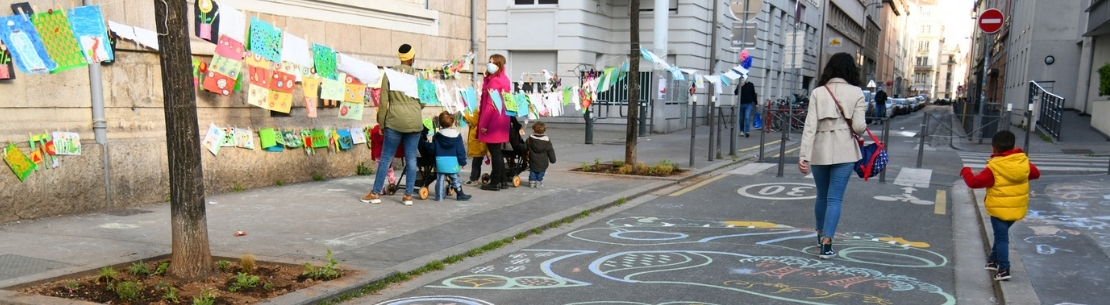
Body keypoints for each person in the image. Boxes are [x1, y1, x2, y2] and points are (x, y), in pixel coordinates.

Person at [797, 52, 868, 260]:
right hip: (845, 149)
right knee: (835, 198)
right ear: (850, 70)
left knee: (821, 195)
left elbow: (810, 126)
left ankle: (820, 233)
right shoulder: (857, 93)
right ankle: (827, 244)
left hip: (820, 148)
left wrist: (803, 155)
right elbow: (858, 127)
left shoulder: (819, 92)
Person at [960, 130, 1040, 281]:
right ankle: (992, 260)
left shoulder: (994, 167)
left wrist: (966, 171)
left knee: (1002, 238)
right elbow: (1035, 174)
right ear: (1014, 145)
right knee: (1001, 235)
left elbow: (974, 182)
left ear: (993, 149)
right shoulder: (1023, 162)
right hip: (1017, 207)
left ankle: (1004, 268)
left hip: (998, 208)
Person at [361, 44, 425, 206]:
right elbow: (424, 100)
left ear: (399, 57)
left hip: (394, 120)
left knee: (386, 158)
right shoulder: (418, 76)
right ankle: (408, 196)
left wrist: (381, 123)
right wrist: (414, 108)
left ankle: (375, 193)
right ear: (412, 58)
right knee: (411, 159)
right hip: (415, 121)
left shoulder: (389, 74)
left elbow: (383, 103)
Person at [478, 54, 512, 191]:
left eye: (493, 63)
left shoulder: (494, 82)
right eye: (489, 62)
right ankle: (503, 181)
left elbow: (490, 106)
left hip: (492, 121)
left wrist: (483, 125)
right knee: (498, 151)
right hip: (502, 119)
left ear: (499, 65)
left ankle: (495, 182)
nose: (489, 64)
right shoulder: (504, 80)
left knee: (495, 152)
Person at [423, 111, 472, 201]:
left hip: (440, 160)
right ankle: (460, 194)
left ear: (440, 123)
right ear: (452, 123)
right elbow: (460, 151)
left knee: (440, 179)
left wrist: (426, 144)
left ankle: (439, 196)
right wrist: (463, 162)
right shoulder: (457, 136)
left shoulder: (437, 136)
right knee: (455, 178)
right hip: (453, 161)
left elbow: (433, 148)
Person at [526, 121, 556, 188]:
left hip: (533, 159)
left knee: (532, 170)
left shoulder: (530, 139)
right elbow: (550, 150)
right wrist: (553, 160)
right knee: (541, 172)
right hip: (543, 161)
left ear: (534, 130)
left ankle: (532, 181)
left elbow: (525, 147)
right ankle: (539, 182)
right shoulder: (547, 141)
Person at [462, 108, 487, 185]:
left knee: (475, 165)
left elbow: (482, 140)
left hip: (479, 151)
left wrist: (483, 150)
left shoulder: (478, 127)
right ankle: (475, 179)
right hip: (476, 151)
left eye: (468, 122)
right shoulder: (473, 127)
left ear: (473, 119)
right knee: (477, 165)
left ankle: (473, 179)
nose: (468, 124)